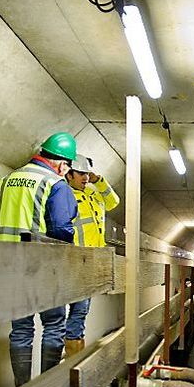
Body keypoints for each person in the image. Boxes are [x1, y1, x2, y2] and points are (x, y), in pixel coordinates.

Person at [0, 132, 79, 387]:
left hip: (9, 265)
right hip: (43, 267)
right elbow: (61, 230)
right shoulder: (55, 183)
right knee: (53, 324)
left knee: (20, 328)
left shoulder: (6, 180)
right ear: (62, 164)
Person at [63, 153, 120, 357]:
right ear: (69, 174)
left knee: (81, 311)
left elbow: (113, 202)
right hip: (73, 258)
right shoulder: (64, 194)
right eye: (80, 173)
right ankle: (72, 359)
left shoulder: (94, 194)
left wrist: (99, 181)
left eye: (87, 173)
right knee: (73, 312)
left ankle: (74, 357)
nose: (85, 177)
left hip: (92, 260)